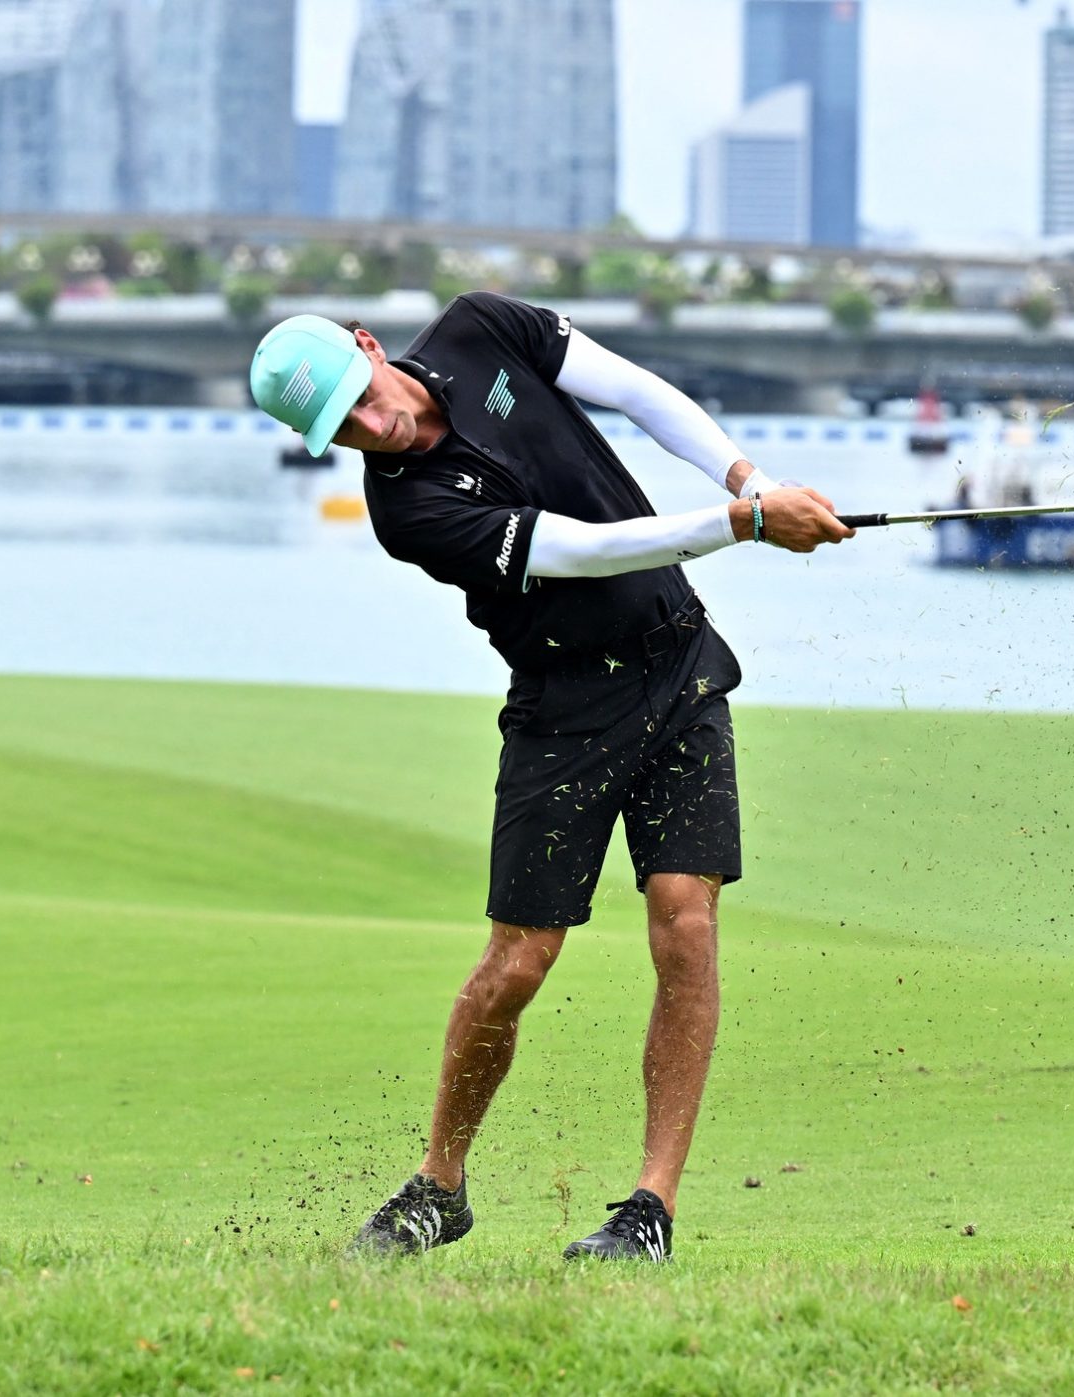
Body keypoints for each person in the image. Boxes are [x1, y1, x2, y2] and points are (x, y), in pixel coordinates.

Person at [247, 292, 852, 1262]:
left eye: (362, 398)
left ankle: (648, 1210)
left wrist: (749, 475)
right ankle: (440, 1184)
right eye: (343, 429)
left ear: (369, 346)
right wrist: (742, 519)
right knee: (519, 961)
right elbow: (577, 548)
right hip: (563, 709)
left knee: (685, 919)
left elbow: (634, 391)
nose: (371, 428)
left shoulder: (479, 327)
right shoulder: (409, 511)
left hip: (680, 662)